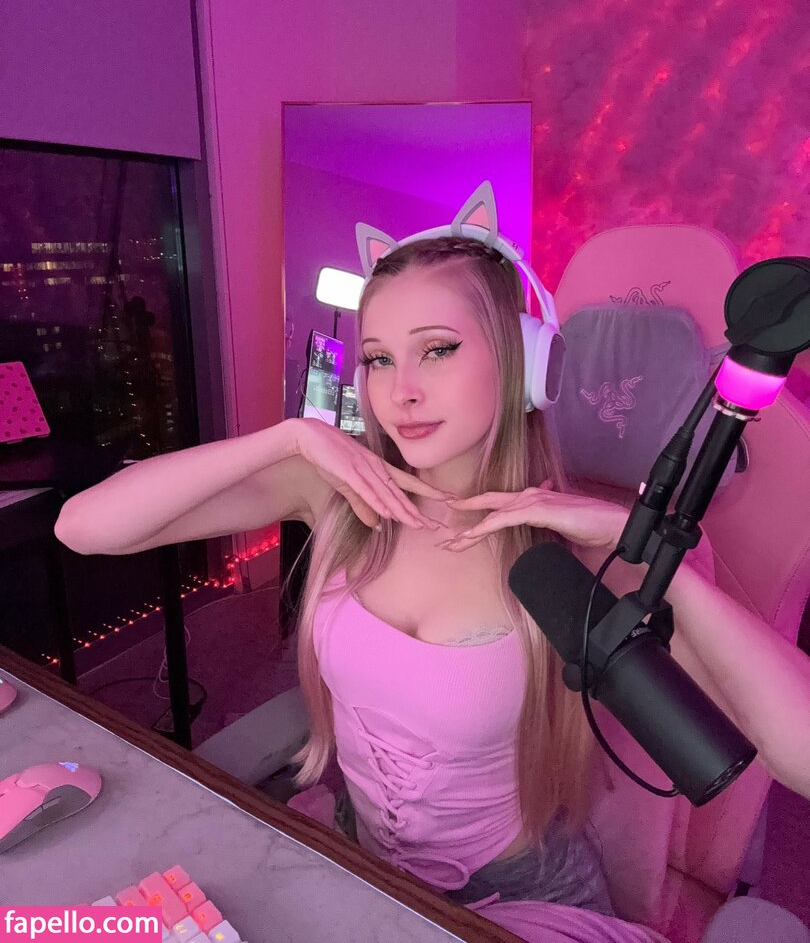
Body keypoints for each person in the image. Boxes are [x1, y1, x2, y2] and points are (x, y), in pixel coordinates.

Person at [55, 201, 810, 943]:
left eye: (438, 349)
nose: (400, 391)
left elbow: (802, 755)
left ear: (525, 364)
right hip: (360, 862)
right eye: (379, 358)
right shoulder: (339, 496)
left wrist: (636, 548)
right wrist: (287, 439)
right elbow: (83, 528)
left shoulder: (576, 553)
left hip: (516, 897)